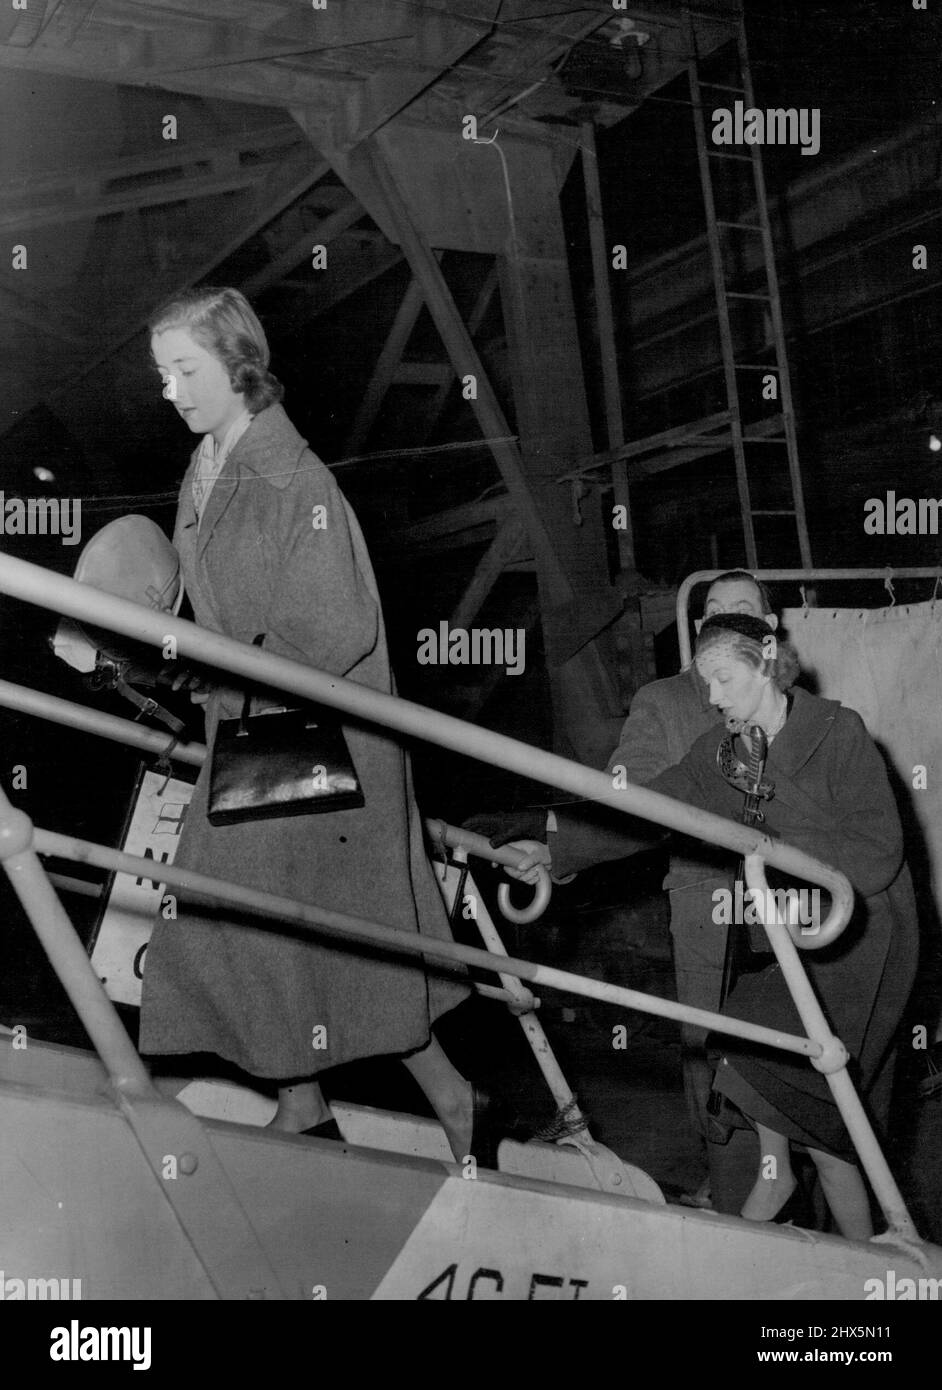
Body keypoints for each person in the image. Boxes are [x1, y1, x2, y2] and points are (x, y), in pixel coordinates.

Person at [140, 286, 491, 1163]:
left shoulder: (297, 479)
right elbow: (222, 611)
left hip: (327, 751)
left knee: (281, 932)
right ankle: (406, 1099)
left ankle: (397, 1099)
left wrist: (217, 660)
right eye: (162, 374)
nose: (171, 390)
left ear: (237, 364)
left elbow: (338, 632)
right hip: (263, 735)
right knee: (275, 934)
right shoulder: (207, 466)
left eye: (185, 370)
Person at [520, 615, 920, 1237]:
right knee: (776, 1063)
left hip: (862, 934)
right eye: (704, 683)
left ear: (765, 663)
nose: (712, 698)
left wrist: (770, 841)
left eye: (723, 679)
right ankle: (793, 1193)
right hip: (796, 932)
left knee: (812, 1093)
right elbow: (655, 806)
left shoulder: (838, 730)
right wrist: (553, 842)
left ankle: (868, 1257)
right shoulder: (726, 754)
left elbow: (878, 849)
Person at [474, 571, 778, 1208]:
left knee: (806, 1083)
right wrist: (557, 840)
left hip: (801, 914)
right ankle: (736, 1216)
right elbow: (630, 798)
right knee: (720, 1070)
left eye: (744, 612)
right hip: (708, 908)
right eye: (714, 614)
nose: (726, 623)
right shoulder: (665, 702)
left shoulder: (802, 703)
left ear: (771, 631)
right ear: (698, 633)